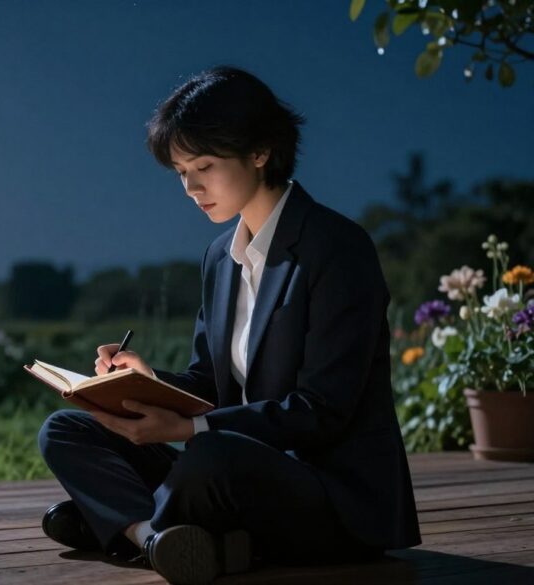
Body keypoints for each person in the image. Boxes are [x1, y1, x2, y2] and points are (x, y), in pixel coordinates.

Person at [37, 65, 422, 585]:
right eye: (180, 171)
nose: (191, 187)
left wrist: (191, 429)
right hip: (233, 470)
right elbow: (209, 385)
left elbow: (322, 411)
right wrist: (145, 383)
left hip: (326, 496)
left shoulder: (337, 249)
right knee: (68, 429)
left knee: (210, 454)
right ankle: (158, 536)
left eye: (205, 165)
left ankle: (128, 524)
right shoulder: (221, 257)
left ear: (260, 151)